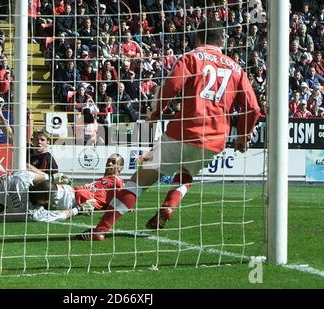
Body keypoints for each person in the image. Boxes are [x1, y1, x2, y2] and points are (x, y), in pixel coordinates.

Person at [80, 20, 261, 241]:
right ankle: (170, 203)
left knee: (139, 181)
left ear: (197, 38)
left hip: (183, 130)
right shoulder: (236, 68)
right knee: (187, 174)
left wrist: (154, 114)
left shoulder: (192, 58)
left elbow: (170, 86)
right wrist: (243, 136)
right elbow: (253, 108)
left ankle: (101, 229)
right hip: (215, 139)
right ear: (221, 41)